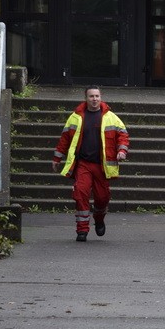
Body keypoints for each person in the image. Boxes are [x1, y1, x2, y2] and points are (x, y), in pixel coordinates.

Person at [52, 86, 130, 242]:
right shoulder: (75, 117)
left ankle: (99, 218)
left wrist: (122, 151)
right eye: (91, 96)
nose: (94, 99)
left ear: (101, 97)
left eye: (97, 96)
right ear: (85, 98)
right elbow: (65, 139)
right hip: (83, 164)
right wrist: (57, 158)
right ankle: (82, 230)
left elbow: (123, 135)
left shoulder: (111, 117)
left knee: (102, 197)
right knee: (80, 193)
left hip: (102, 166)